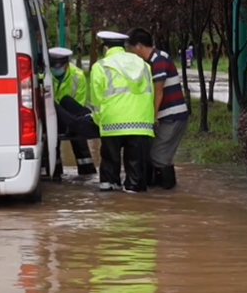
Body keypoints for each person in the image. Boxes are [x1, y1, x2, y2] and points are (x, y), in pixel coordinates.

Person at [89, 31, 155, 193]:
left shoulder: (100, 66)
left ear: (106, 48)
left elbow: (96, 101)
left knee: (110, 167)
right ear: (124, 46)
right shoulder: (144, 65)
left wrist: (99, 120)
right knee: (136, 171)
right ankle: (134, 194)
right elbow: (151, 93)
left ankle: (110, 192)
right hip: (141, 123)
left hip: (112, 123)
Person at [126, 28, 188, 190]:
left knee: (158, 157)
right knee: (157, 155)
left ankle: (168, 193)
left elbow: (158, 91)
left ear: (139, 46)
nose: (131, 53)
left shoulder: (159, 60)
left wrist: (152, 118)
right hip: (167, 116)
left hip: (172, 116)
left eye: (131, 49)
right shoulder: (151, 61)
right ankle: (165, 193)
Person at [48, 47, 97, 177]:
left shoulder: (78, 76)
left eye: (59, 66)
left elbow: (79, 104)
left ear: (66, 64)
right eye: (53, 66)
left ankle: (87, 173)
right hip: (51, 116)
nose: (56, 69)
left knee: (80, 141)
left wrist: (71, 123)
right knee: (51, 147)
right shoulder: (44, 75)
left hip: (72, 117)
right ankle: (54, 174)